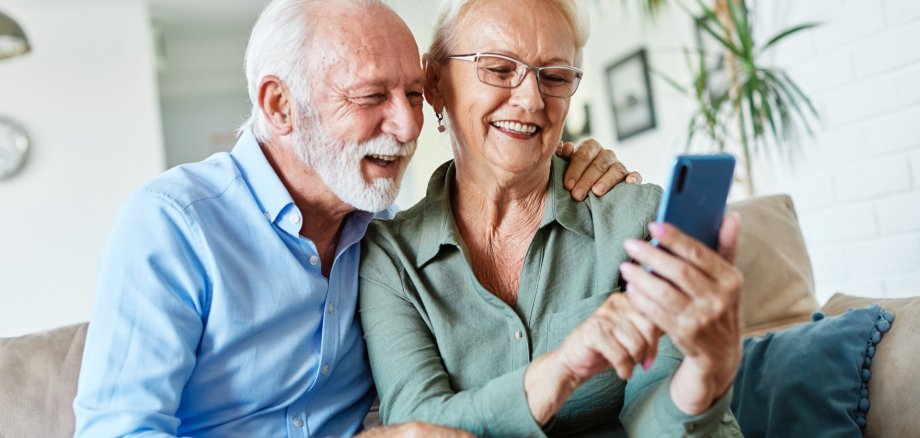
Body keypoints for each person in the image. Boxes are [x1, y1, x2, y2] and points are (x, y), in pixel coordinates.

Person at [72, 0, 638, 436]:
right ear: (279, 105)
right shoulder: (173, 226)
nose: (407, 126)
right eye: (371, 97)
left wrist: (558, 154)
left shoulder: (381, 230)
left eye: (414, 96)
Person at [358, 0, 744, 436]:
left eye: (555, 76)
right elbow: (416, 424)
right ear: (434, 83)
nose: (530, 99)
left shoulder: (636, 220)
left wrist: (701, 379)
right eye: (500, 69)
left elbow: (657, 413)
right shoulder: (391, 257)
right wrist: (560, 371)